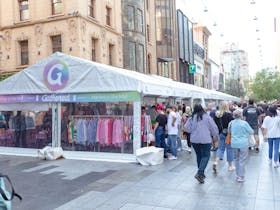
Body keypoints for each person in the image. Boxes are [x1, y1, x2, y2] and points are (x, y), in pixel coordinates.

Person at [184, 104, 219, 184]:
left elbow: (186, 128)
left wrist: (192, 131)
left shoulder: (191, 118)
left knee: (199, 156)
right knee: (206, 156)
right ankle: (200, 173)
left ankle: (201, 175)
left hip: (194, 140)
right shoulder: (207, 117)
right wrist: (214, 135)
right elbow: (214, 128)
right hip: (205, 139)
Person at [230, 109, 254, 182]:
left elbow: (229, 131)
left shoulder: (231, 123)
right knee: (242, 160)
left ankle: (237, 175)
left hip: (234, 143)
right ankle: (241, 176)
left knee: (236, 159)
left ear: (233, 115)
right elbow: (251, 131)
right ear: (241, 115)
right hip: (243, 143)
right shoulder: (244, 123)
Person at [213, 101, 234, 173]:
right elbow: (232, 125)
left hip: (221, 133)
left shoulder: (217, 115)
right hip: (228, 134)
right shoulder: (229, 115)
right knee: (229, 149)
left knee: (220, 149)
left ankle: (216, 162)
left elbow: (215, 125)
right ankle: (230, 166)